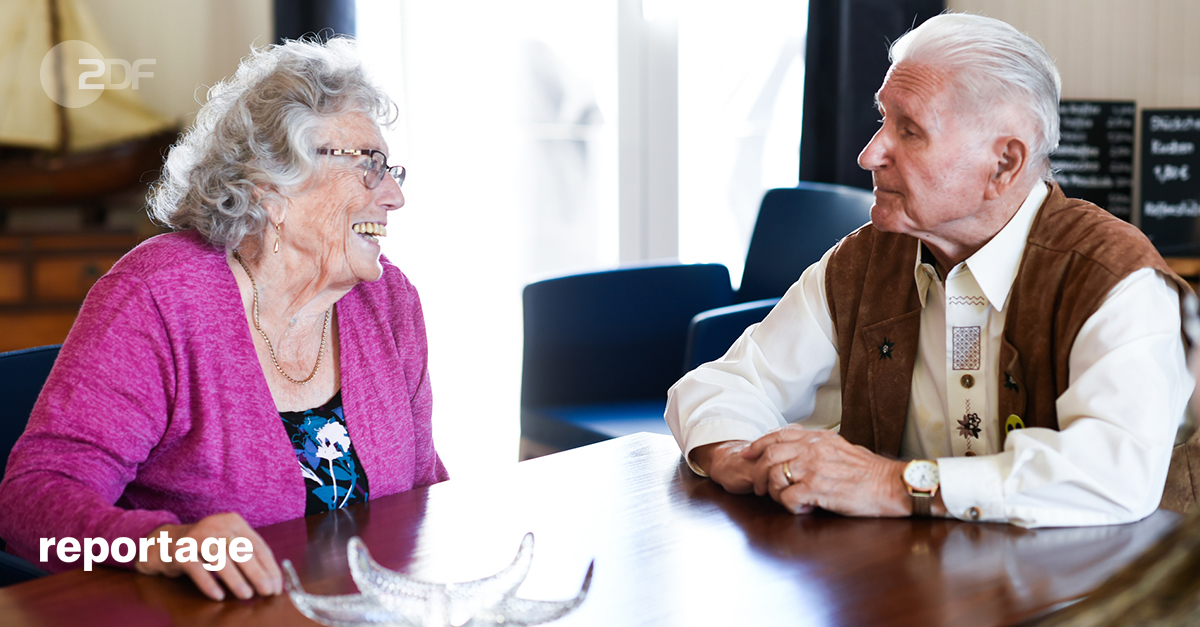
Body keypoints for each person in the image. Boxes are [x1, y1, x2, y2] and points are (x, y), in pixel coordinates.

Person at [666, 13, 1195, 528]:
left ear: (1005, 164)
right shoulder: (868, 259)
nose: (869, 154)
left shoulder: (1113, 277)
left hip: (1109, 599)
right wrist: (736, 453)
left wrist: (889, 483)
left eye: (910, 130)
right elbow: (724, 385)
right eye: (882, 119)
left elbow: (1115, 474)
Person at [0, 38, 447, 600]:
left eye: (391, 170)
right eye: (369, 168)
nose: (394, 197)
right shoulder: (158, 298)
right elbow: (30, 507)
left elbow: (425, 492)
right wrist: (166, 545)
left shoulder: (389, 303)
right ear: (271, 189)